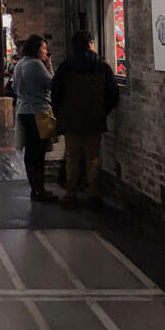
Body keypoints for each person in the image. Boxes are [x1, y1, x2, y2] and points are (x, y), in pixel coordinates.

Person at [52, 29, 120, 207]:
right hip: (94, 119)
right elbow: (113, 93)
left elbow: (56, 93)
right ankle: (93, 194)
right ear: (90, 43)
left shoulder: (66, 67)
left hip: (71, 119)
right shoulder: (102, 66)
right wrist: (102, 110)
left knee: (72, 157)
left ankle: (70, 194)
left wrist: (60, 113)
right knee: (93, 157)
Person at [13, 35, 57, 201]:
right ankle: (39, 189)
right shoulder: (36, 64)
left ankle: (35, 188)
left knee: (31, 151)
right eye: (43, 48)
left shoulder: (20, 64)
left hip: (24, 110)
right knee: (38, 153)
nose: (46, 51)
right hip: (38, 111)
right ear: (36, 48)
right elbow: (52, 84)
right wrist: (49, 65)